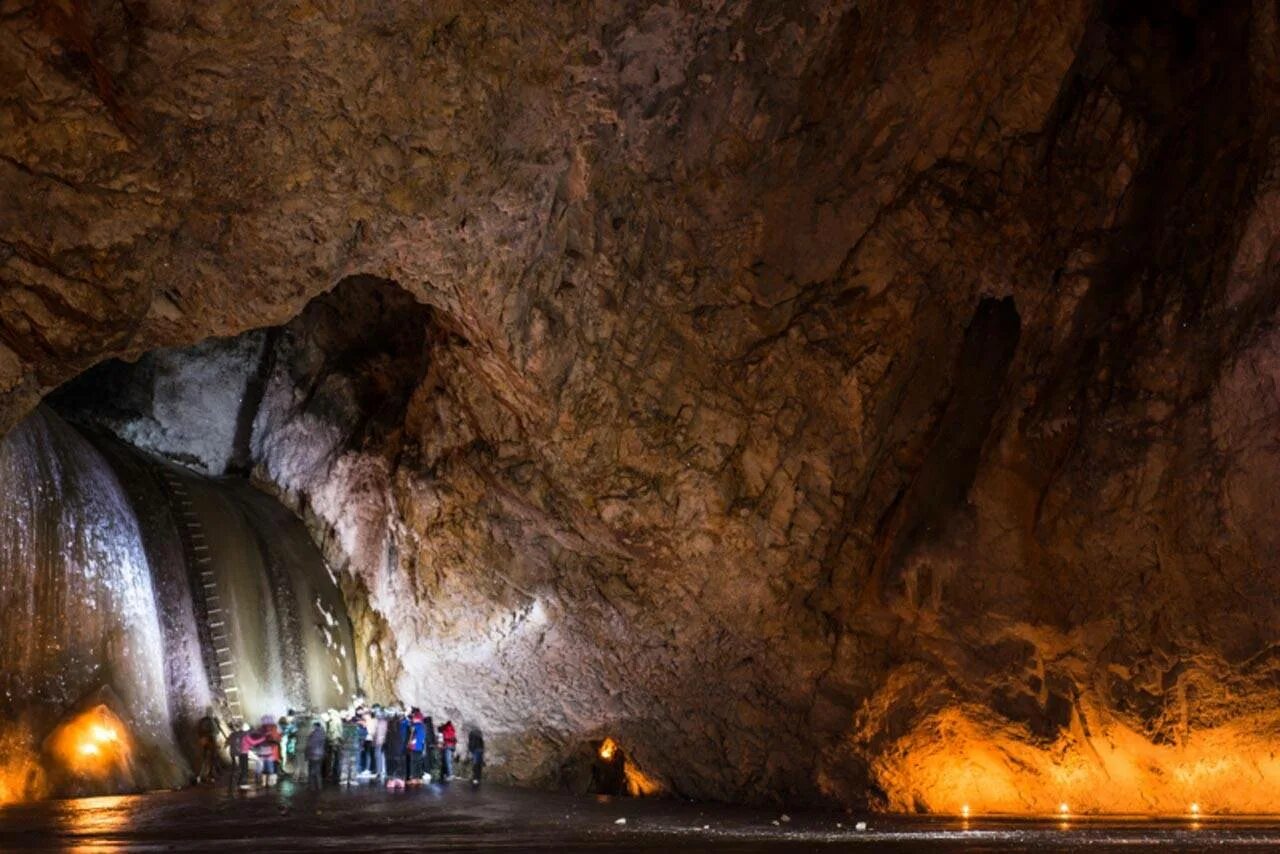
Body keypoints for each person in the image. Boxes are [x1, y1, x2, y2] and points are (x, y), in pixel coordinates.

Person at [196, 708, 222, 784]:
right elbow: (217, 731)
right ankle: (210, 774)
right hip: (211, 738)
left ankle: (203, 775)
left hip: (204, 739)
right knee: (213, 757)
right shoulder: (213, 720)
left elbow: (199, 730)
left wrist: (201, 738)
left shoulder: (202, 720)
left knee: (205, 758)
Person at [384, 710, 406, 789]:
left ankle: (393, 779)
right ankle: (399, 779)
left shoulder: (390, 730)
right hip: (399, 748)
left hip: (392, 750)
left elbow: (387, 740)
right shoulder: (401, 727)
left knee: (392, 764)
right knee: (398, 763)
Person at [227, 721, 251, 792]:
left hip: (233, 753)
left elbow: (228, 742)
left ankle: (233, 784)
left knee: (235, 768)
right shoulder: (243, 735)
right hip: (239, 753)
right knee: (238, 769)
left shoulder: (233, 734)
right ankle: (235, 785)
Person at [339, 714, 361, 786]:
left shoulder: (345, 729)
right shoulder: (357, 729)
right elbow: (361, 738)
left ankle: (344, 780)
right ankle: (353, 780)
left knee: (345, 764)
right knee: (353, 765)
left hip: (346, 749)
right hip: (354, 749)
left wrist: (341, 745)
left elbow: (342, 739)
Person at [406, 710, 427, 785]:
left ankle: (413, 778)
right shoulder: (423, 726)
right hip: (420, 747)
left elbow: (412, 737)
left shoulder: (415, 726)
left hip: (414, 747)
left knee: (413, 763)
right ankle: (418, 778)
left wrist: (409, 744)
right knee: (418, 763)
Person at [304, 721, 327, 791]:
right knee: (318, 771)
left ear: (315, 726)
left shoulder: (313, 734)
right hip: (320, 755)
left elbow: (309, 745)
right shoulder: (323, 734)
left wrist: (306, 755)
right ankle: (319, 786)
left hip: (313, 754)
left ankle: (312, 787)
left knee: (311, 772)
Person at [372, 707, 389, 781]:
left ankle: (379, 771)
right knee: (383, 756)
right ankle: (383, 770)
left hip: (379, 741)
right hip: (384, 741)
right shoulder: (386, 722)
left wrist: (375, 741)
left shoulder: (379, 723)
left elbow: (377, 733)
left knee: (378, 756)